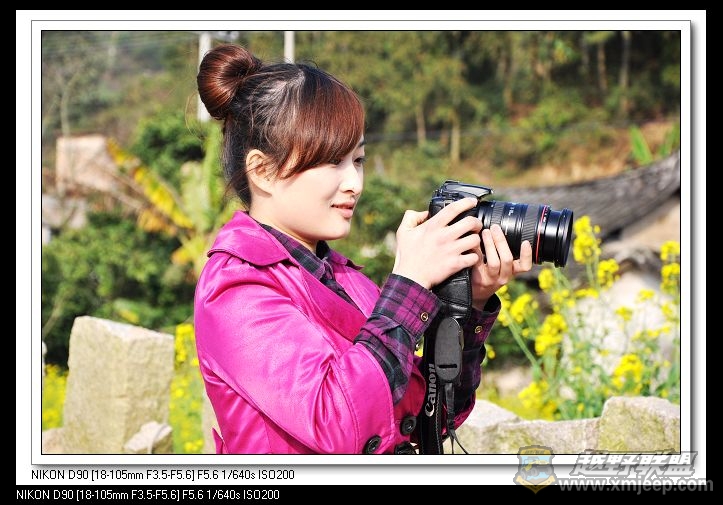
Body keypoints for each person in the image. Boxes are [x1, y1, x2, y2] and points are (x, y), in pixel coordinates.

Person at [193, 43, 533, 455]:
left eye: (358, 160)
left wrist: (468, 305)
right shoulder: (237, 289)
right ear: (263, 171)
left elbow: (426, 417)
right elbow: (338, 424)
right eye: (332, 161)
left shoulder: (344, 278)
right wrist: (409, 284)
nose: (354, 183)